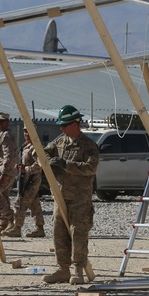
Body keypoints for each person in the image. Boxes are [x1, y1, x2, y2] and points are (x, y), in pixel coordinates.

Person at [42, 105, 99, 285]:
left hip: (80, 199)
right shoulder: (60, 142)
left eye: (65, 125)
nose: (62, 128)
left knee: (78, 234)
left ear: (75, 124)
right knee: (59, 234)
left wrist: (65, 164)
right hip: (61, 197)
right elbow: (43, 152)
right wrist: (45, 160)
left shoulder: (88, 146)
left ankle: (78, 271)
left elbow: (90, 168)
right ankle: (62, 269)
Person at [8, 130, 45, 238]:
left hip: (32, 180)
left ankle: (17, 228)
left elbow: (40, 164)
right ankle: (40, 228)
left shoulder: (35, 148)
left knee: (20, 202)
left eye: (29, 132)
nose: (26, 134)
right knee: (34, 204)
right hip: (24, 179)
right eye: (25, 132)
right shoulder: (25, 146)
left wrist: (26, 169)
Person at [0, 112, 19, 235]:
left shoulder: (7, 135)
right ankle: (4, 223)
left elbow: (9, 156)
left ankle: (9, 216)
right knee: (3, 195)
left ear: (7, 122)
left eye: (2, 121)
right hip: (3, 169)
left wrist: (4, 173)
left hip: (4, 170)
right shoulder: (3, 134)